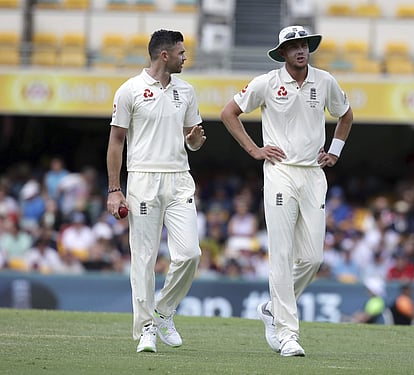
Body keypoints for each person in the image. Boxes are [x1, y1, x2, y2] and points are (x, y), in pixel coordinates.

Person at [220, 25, 353, 357]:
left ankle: (272, 309)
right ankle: (288, 333)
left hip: (313, 174)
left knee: (313, 257)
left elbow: (346, 115)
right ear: (282, 52)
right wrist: (254, 150)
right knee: (281, 255)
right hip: (279, 173)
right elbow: (229, 113)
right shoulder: (267, 82)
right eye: (293, 45)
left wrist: (335, 150)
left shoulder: (324, 81)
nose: (300, 50)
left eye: (304, 44)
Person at [106, 29, 206, 354]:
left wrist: (194, 141)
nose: (185, 57)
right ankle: (146, 327)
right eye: (181, 52)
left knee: (190, 253)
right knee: (144, 258)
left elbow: (191, 139)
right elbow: (116, 141)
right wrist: (114, 189)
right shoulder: (129, 91)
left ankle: (163, 311)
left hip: (179, 178)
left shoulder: (187, 91)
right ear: (164, 55)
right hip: (143, 179)